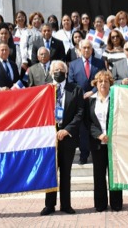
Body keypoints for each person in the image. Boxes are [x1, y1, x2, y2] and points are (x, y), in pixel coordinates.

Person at [42, 60, 83, 216]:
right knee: (50, 172)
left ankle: (66, 205)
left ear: (66, 72)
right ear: (51, 72)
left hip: (68, 137)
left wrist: (67, 130)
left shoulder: (76, 89)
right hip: (49, 137)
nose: (58, 72)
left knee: (66, 172)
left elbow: (79, 113)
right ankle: (49, 205)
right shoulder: (45, 89)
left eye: (61, 69)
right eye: (56, 70)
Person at [87, 70, 123, 212]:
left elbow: (121, 118)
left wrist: (110, 134)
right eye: (100, 81)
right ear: (95, 84)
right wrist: (99, 135)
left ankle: (116, 203)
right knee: (99, 175)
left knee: (114, 175)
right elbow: (88, 122)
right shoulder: (90, 100)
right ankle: (100, 204)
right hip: (97, 144)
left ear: (110, 84)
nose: (103, 84)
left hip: (113, 144)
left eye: (106, 81)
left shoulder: (116, 99)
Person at [68, 39, 106, 164]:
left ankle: (96, 153)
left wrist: (93, 91)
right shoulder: (73, 64)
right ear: (80, 49)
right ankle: (84, 155)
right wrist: (81, 94)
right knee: (83, 128)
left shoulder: (99, 63)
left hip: (97, 99)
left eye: (88, 47)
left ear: (92, 49)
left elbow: (103, 80)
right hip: (80, 100)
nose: (86, 50)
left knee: (96, 125)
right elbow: (71, 82)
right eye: (84, 48)